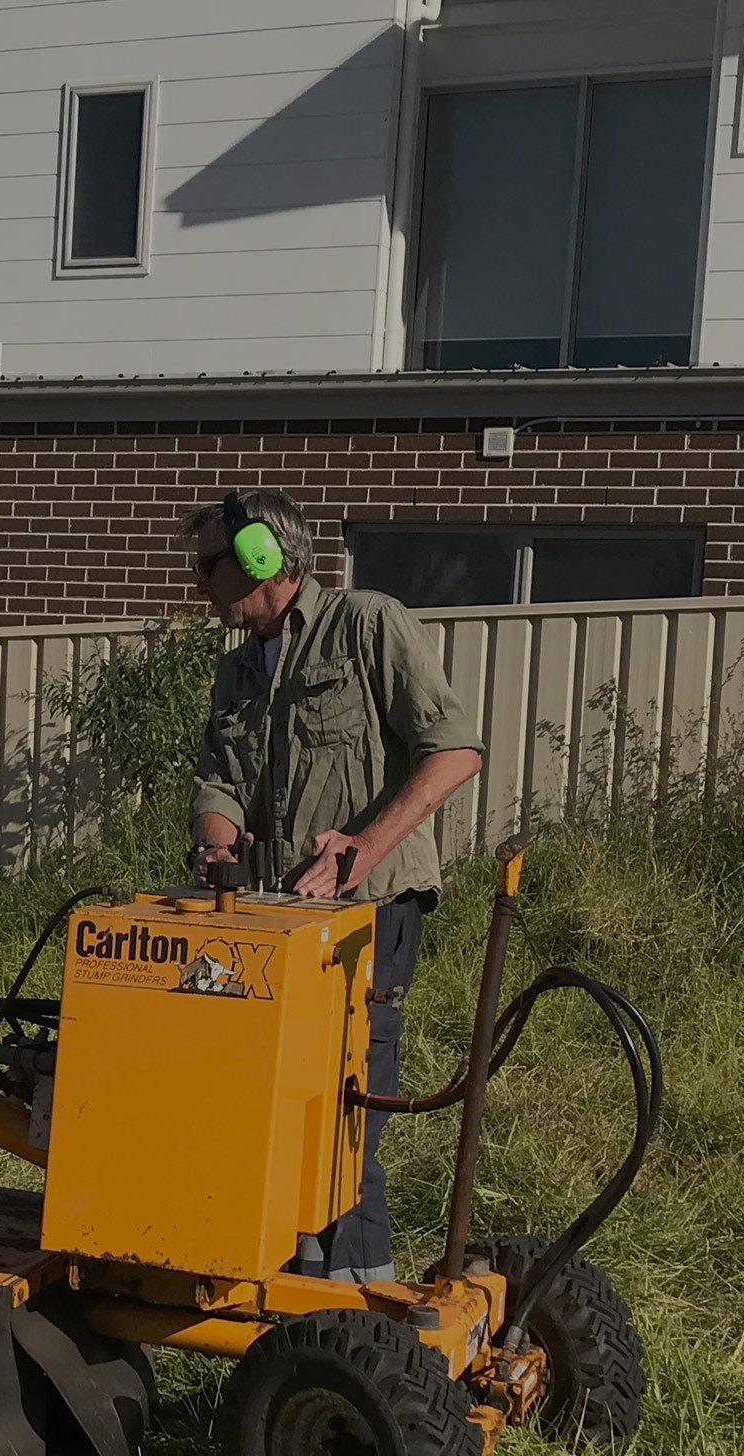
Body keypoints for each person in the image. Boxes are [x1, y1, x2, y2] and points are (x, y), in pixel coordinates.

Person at [184, 490, 484, 1284]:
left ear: (261, 558)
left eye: (209, 563)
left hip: (370, 914)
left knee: (346, 1118)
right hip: (278, 919)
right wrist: (217, 848)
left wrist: (363, 844)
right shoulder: (238, 668)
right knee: (270, 1107)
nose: (199, 582)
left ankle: (358, 1310)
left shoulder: (368, 626)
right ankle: (290, 1278)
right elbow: (218, 783)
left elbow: (454, 752)